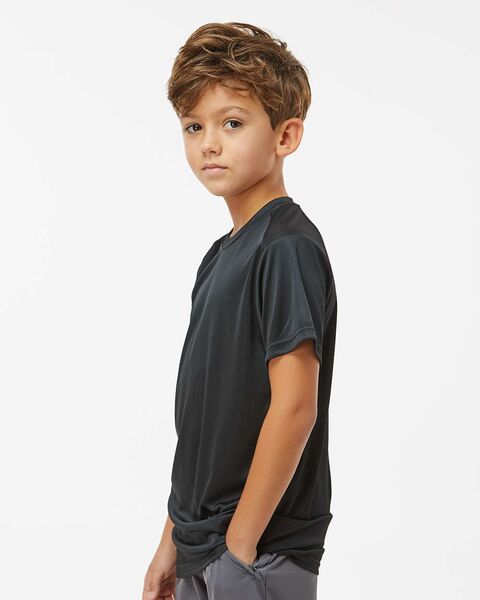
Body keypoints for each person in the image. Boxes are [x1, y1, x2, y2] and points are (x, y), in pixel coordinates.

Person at [142, 21, 337, 600]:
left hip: (258, 550)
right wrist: (172, 541)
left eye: (232, 123)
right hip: (202, 546)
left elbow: (295, 405)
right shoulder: (220, 257)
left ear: (285, 136)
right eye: (193, 126)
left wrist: (240, 545)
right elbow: (202, 421)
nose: (209, 143)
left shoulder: (286, 247)